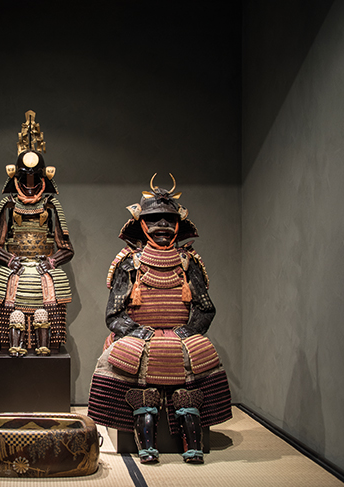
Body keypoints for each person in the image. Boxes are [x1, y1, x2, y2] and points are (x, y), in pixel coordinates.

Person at [87, 174, 232, 464]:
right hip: (138, 335)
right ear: (141, 224)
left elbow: (205, 308)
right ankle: (145, 442)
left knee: (200, 362)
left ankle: (191, 439)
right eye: (154, 220)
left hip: (181, 336)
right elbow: (114, 314)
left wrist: (189, 331)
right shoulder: (130, 263)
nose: (162, 226)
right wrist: (135, 332)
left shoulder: (188, 261)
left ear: (179, 224)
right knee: (125, 365)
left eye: (168, 219)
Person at [0, 111, 74, 357]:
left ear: (44, 178)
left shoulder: (51, 206)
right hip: (13, 270)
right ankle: (13, 344)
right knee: (8, 315)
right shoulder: (8, 206)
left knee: (50, 314)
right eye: (25, 177)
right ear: (15, 177)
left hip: (44, 271)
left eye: (35, 177)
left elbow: (66, 248)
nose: (30, 182)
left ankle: (45, 344)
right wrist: (10, 260)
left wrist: (53, 261)